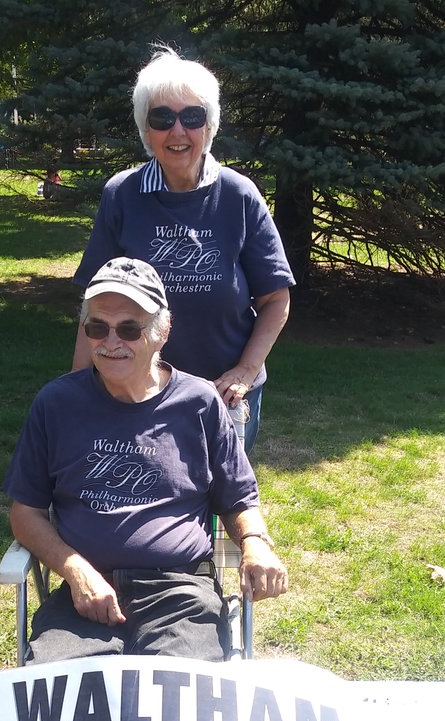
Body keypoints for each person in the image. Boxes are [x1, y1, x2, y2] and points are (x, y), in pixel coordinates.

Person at [5, 257, 287, 664]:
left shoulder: (199, 403)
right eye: (97, 327)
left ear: (161, 331)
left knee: (182, 716)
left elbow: (239, 497)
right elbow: (25, 512)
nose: (110, 342)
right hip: (83, 594)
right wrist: (76, 571)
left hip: (180, 596)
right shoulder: (57, 403)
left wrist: (255, 545)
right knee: (64, 715)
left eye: (129, 329)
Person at [73, 48, 294, 454]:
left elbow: (276, 298)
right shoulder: (122, 195)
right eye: (162, 118)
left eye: (192, 117)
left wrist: (245, 371)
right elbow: (95, 304)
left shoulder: (239, 195)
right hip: (138, 390)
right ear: (146, 127)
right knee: (149, 503)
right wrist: (78, 389)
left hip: (223, 391)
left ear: (209, 126)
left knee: (221, 500)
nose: (178, 131)